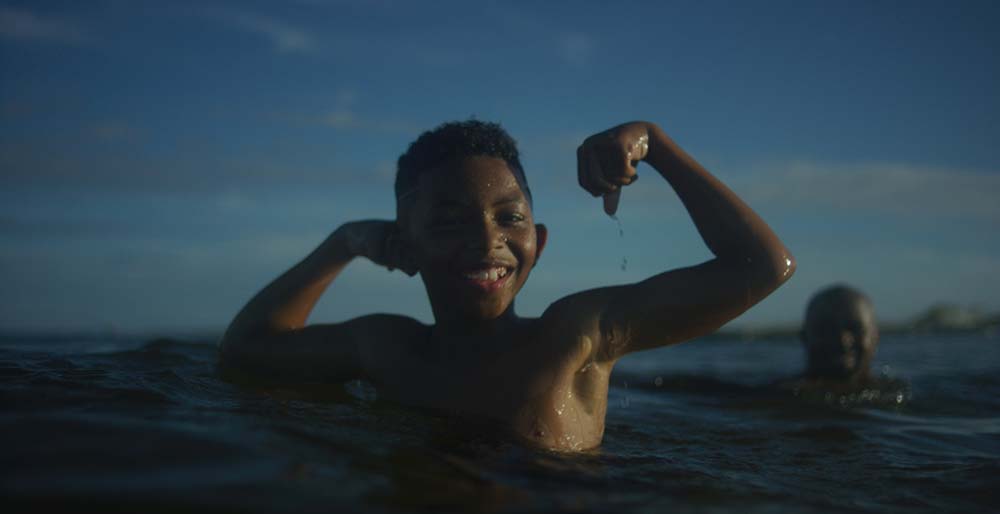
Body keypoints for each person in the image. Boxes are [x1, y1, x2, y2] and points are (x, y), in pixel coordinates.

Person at [218, 119, 795, 451]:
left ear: (538, 243)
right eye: (450, 221)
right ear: (405, 247)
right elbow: (245, 351)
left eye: (509, 217)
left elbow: (761, 268)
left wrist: (656, 144)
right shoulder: (386, 348)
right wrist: (341, 243)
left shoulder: (577, 337)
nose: (487, 239)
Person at [799, 285, 880, 383]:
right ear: (804, 337)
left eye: (855, 329)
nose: (842, 342)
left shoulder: (894, 395)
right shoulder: (782, 395)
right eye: (827, 330)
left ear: (875, 337)